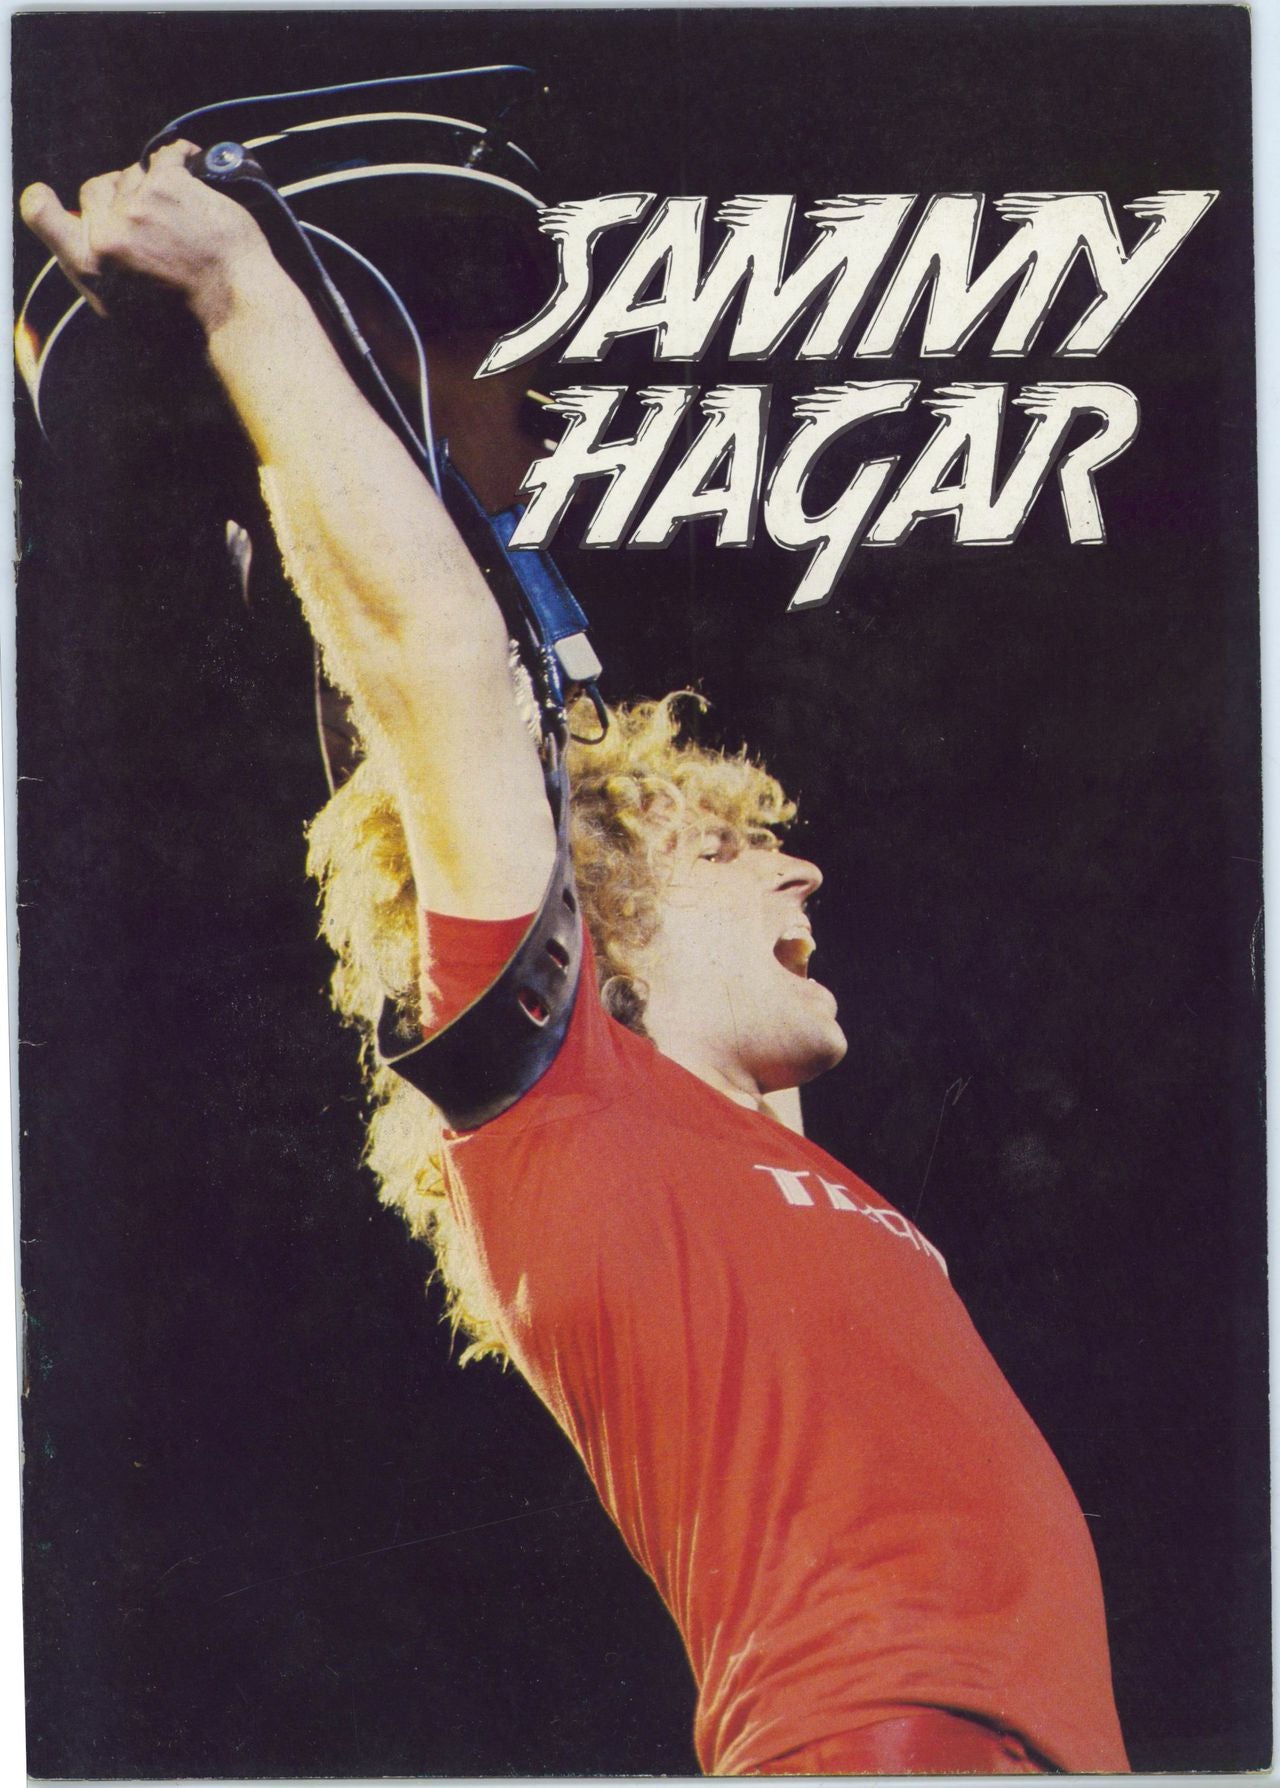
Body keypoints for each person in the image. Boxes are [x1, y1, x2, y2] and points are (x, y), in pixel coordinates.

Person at [21, 144, 1130, 1777]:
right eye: (729, 847)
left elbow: (503, 664)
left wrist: (458, 458)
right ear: (600, 928)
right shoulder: (576, 1125)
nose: (802, 864)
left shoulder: (770, 1165)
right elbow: (443, 673)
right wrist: (242, 289)